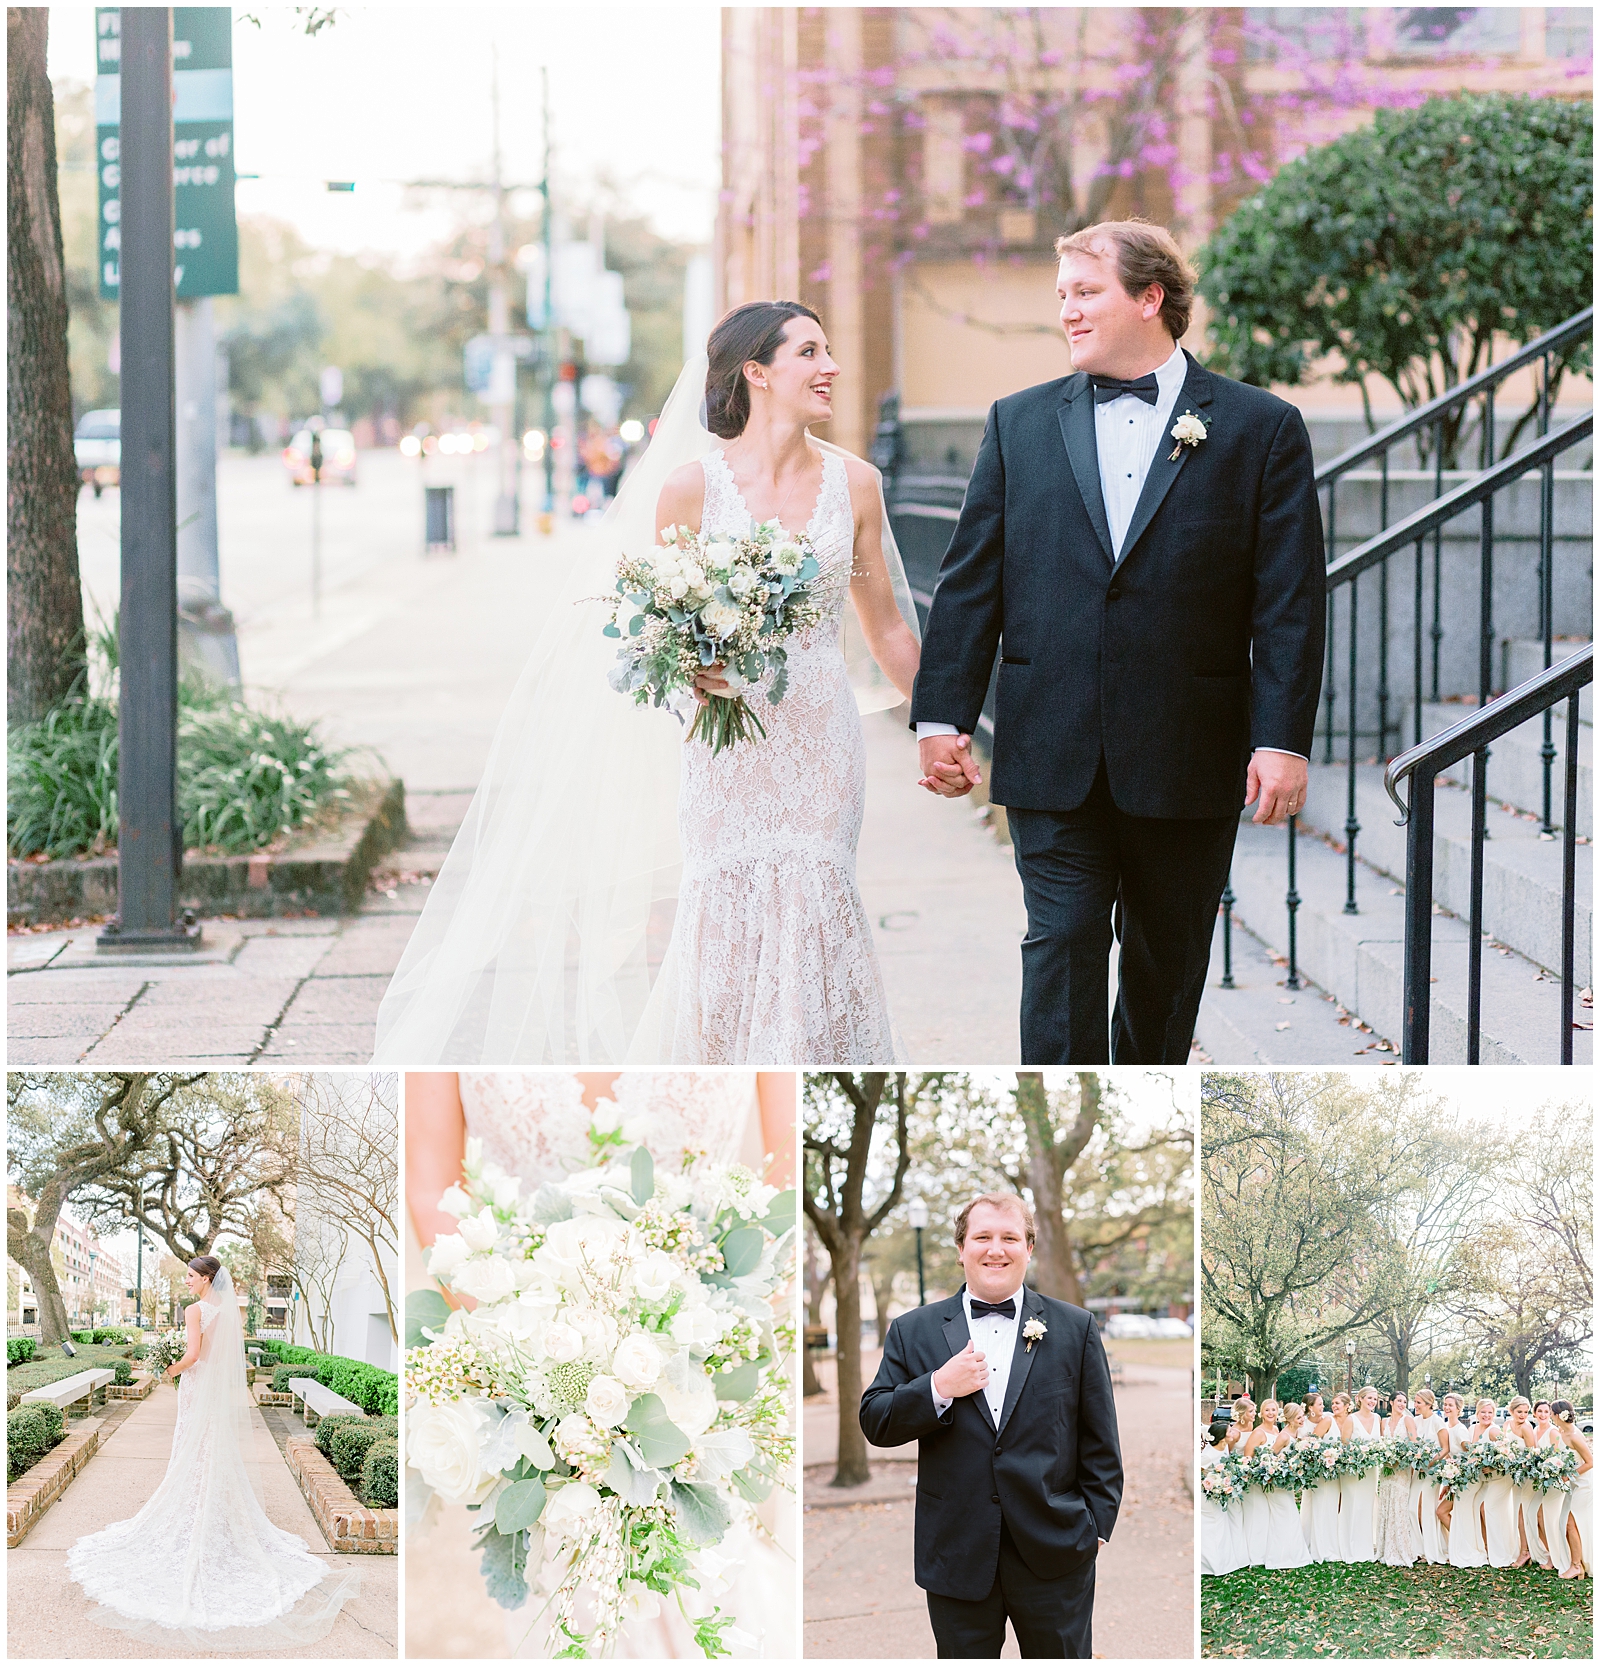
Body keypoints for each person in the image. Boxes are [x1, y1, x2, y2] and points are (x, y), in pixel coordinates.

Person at [373, 303, 922, 1066]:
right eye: (809, 352)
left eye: (830, 349)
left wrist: (941, 726)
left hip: (819, 744)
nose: (830, 366)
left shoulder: (855, 484)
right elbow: (660, 630)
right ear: (757, 373)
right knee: (725, 910)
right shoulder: (691, 490)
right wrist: (690, 675)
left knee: (816, 894)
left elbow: (887, 628)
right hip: (724, 748)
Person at [910, 217, 1324, 1063]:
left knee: (1165, 970)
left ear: (1150, 297)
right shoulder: (1016, 423)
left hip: (1188, 752)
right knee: (1059, 947)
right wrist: (940, 717)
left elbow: (1288, 603)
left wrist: (1282, 740)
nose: (1067, 311)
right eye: (1061, 295)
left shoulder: (1260, 428)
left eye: (1085, 292)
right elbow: (969, 583)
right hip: (1050, 746)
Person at [405, 1071, 797, 1658]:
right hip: (540, 1389)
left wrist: (714, 1328)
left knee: (715, 1583)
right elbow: (429, 1188)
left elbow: (788, 1171)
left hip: (701, 1363)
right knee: (571, 1604)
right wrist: (519, 1341)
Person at [860, 1193, 1122, 1659]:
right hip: (957, 1554)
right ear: (961, 1248)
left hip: (1056, 1553)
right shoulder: (912, 1329)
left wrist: (1095, 1526)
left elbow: (1100, 1440)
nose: (995, 1249)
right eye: (982, 1237)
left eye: (1009, 1237)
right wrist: (938, 1386)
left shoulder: (1074, 1327)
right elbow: (875, 1420)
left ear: (1029, 1248)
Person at [66, 1258, 357, 1648]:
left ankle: (193, 1508)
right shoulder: (225, 1311)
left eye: (190, 1275)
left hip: (195, 1387)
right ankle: (208, 1506)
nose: (185, 1281)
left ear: (206, 1278)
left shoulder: (194, 1310)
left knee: (191, 1446)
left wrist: (165, 1369)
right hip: (213, 1393)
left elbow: (194, 1357)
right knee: (207, 1448)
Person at [1260, 1401, 1313, 1569]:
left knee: (1290, 1516)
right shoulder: (1283, 1436)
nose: (1302, 1419)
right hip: (1277, 1484)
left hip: (1288, 1483)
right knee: (1286, 1516)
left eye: (1302, 1416)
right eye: (1299, 1417)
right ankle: (1279, 1558)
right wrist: (1278, 1469)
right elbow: (1268, 1458)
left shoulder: (1298, 1436)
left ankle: (1292, 1555)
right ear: (1290, 1420)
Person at [1374, 1390, 1421, 1567]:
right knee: (1386, 1504)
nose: (1402, 1404)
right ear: (1391, 1402)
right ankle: (1385, 1548)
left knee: (1399, 1505)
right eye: (1399, 1401)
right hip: (1386, 1469)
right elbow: (1380, 1443)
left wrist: (1400, 1457)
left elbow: (1414, 1442)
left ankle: (1402, 1548)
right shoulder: (1384, 1421)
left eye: (1404, 1401)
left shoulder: (1407, 1420)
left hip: (1401, 1470)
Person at [1443, 1394, 1488, 1569]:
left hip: (1468, 1478)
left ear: (1458, 1409)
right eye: (1445, 1405)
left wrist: (1459, 1464)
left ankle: (1468, 1549)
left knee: (1462, 1515)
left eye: (1450, 1406)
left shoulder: (1460, 1429)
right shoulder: (1447, 1426)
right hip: (1457, 1478)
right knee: (1443, 1511)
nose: (1447, 1408)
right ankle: (1460, 1545)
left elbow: (1471, 1452)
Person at [1338, 1387, 1382, 1562]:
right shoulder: (1351, 1419)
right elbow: (1344, 1445)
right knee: (1353, 1504)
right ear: (1360, 1399)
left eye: (1375, 1399)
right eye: (1369, 1398)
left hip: (1371, 1470)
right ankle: (1349, 1545)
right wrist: (1358, 1457)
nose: (1372, 1402)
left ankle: (1365, 1545)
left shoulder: (1378, 1418)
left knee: (1367, 1505)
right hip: (1353, 1471)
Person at [1200, 1420, 1248, 1577]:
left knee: (1222, 1525)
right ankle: (1213, 1564)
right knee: (1214, 1526)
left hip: (1219, 1493)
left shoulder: (1224, 1447)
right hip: (1207, 1495)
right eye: (1230, 1431)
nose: (1232, 1433)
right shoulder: (1208, 1455)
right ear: (1222, 1437)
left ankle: (1225, 1560)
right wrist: (1213, 1484)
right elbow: (1199, 1473)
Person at [1551, 1399, 1592, 1578]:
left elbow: (1590, 1462)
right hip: (1573, 1484)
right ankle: (1576, 1561)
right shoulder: (1562, 1432)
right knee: (1564, 1522)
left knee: (1571, 1523)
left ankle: (1577, 1566)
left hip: (1584, 1484)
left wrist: (1569, 1475)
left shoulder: (1574, 1435)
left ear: (1558, 1415)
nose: (1551, 1417)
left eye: (1552, 1413)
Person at [1300, 1392, 1342, 1563]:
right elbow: (1306, 1445)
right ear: (1310, 1408)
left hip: (1331, 1472)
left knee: (1329, 1507)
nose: (1323, 1406)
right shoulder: (1302, 1425)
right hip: (1315, 1473)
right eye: (1319, 1404)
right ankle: (1317, 1546)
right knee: (1314, 1506)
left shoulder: (1329, 1418)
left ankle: (1328, 1544)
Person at [1410, 1388, 1447, 1564]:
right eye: (1415, 1402)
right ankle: (1418, 1548)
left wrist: (1430, 1463)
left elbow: (1445, 1448)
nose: (1415, 1405)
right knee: (1412, 1508)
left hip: (1431, 1473)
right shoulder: (1415, 1421)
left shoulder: (1438, 1422)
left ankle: (1431, 1550)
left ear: (1428, 1404)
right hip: (1418, 1471)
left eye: (1418, 1402)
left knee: (1425, 1509)